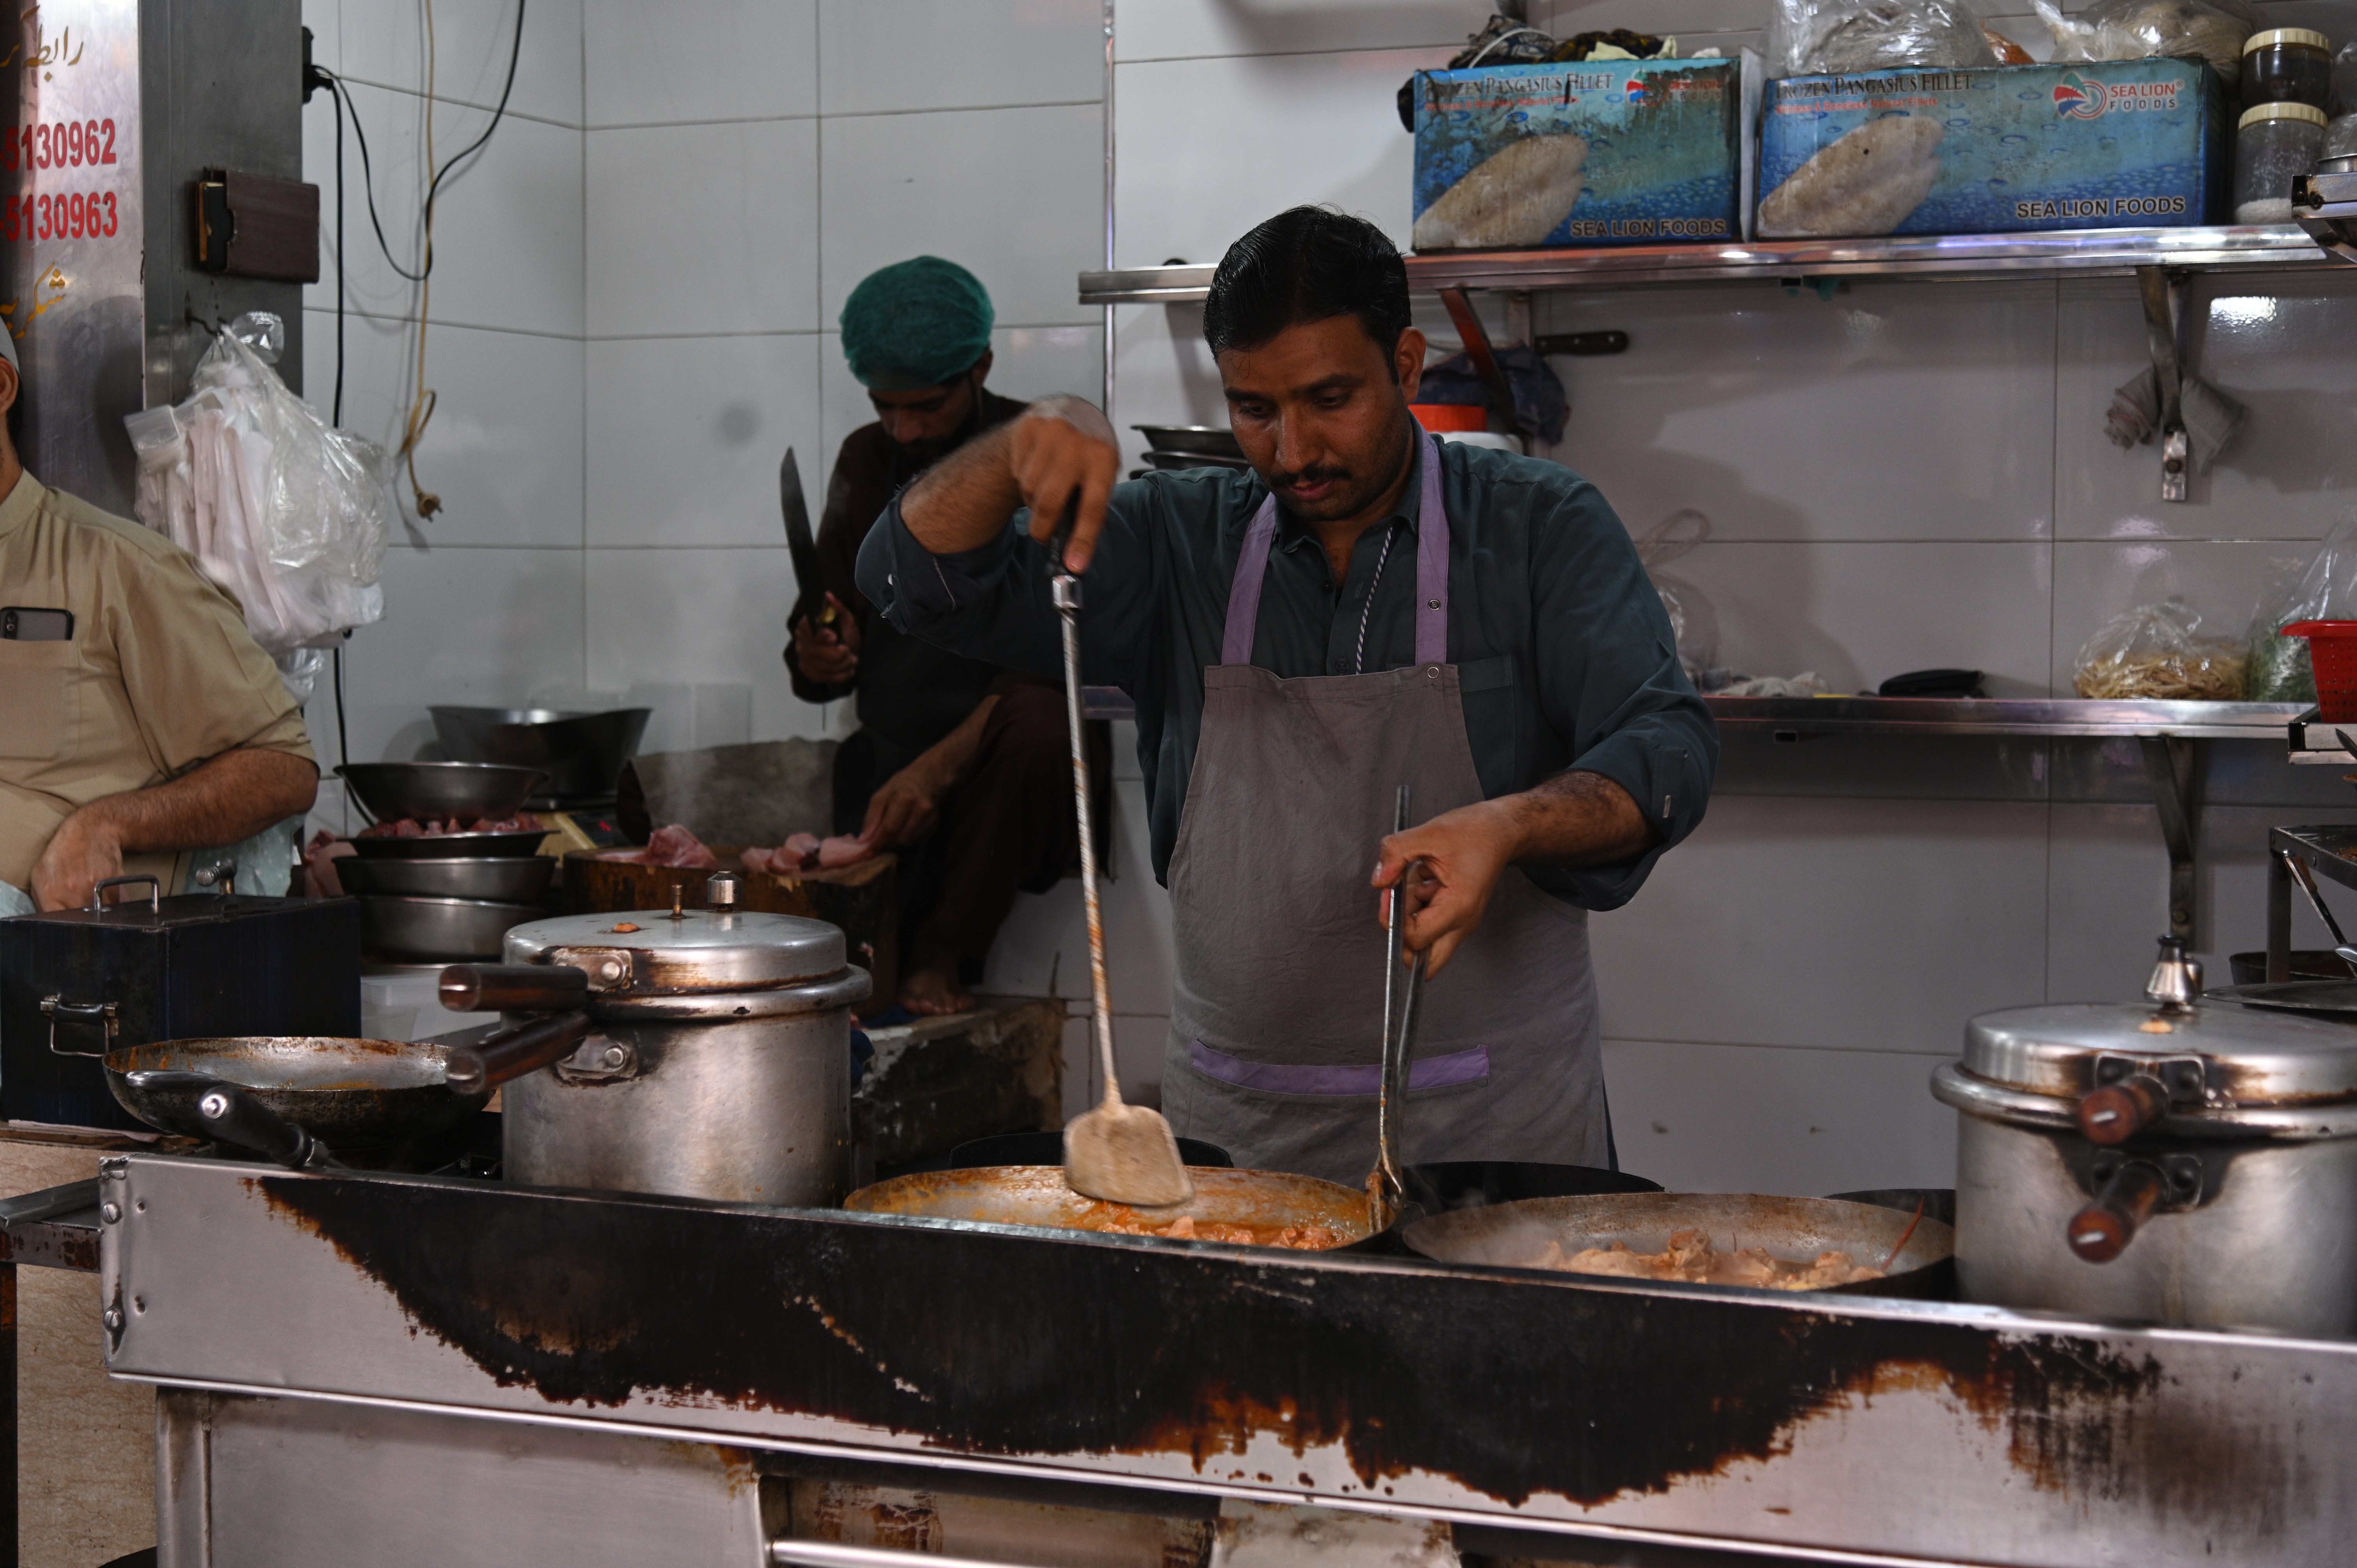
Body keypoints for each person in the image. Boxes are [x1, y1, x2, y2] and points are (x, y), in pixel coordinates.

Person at [855, 208, 1717, 1183]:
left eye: (1330, 397)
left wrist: (1510, 824)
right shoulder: (1176, 542)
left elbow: (1666, 749)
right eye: (1255, 409)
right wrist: (1018, 444)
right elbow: (906, 580)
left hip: (1494, 1145)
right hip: (1242, 1147)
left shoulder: (1538, 527)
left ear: (1404, 363)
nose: (1295, 449)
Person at [789, 255, 1100, 1016]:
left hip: (1011, 756)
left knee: (1036, 723)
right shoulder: (867, 460)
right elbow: (826, 628)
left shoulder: (1037, 453)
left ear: (981, 367)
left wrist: (941, 767)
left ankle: (941, 956)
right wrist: (819, 653)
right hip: (894, 756)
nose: (905, 428)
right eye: (885, 406)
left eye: (925, 406)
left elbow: (1062, 659)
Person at [0, 330, 320, 914]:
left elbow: (284, 772)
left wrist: (107, 824)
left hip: (69, 973)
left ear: (1, 387)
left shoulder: (120, 567)